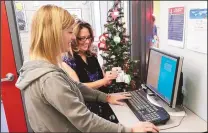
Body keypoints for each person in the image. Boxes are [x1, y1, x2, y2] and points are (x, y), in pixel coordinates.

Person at [15, 5, 159, 132]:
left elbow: (75, 86)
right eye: (70, 32)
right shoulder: (49, 79)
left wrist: (106, 97)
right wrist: (130, 130)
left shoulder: (41, 67)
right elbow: (85, 121)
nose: (73, 38)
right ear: (54, 34)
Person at [62, 20, 119, 123]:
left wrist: (107, 80)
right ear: (74, 39)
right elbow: (79, 88)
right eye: (82, 38)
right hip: (89, 113)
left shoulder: (92, 56)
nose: (87, 41)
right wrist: (103, 81)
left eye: (88, 37)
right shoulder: (68, 61)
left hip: (105, 103)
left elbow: (102, 81)